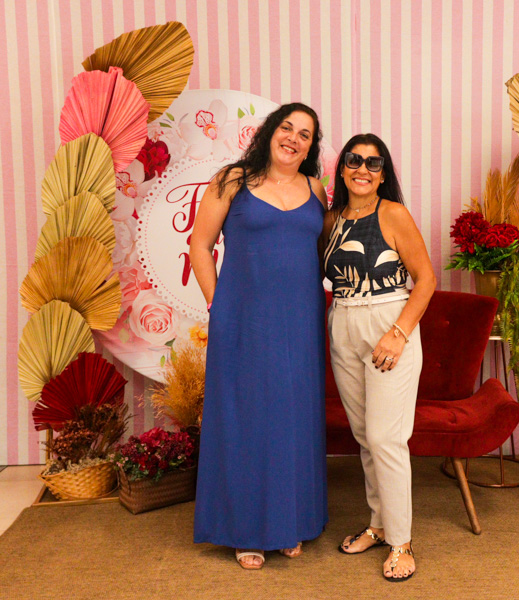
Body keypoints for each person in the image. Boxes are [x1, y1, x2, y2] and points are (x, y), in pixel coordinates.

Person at [190, 103, 329, 570]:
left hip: (302, 321)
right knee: (245, 419)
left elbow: (321, 251)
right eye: (286, 128)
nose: (293, 138)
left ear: (310, 147)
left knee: (295, 419)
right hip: (243, 319)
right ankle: (245, 530)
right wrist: (218, 304)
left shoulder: (316, 188)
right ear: (270, 132)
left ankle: (291, 523)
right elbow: (199, 245)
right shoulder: (233, 180)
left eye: (305, 134)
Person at [322, 133, 436, 581]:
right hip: (343, 321)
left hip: (388, 320)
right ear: (342, 168)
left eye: (373, 163)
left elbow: (425, 280)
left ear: (383, 173)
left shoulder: (393, 214)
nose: (362, 169)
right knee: (366, 436)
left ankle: (401, 542)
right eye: (354, 160)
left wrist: (398, 333)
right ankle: (379, 523)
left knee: (387, 437)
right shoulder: (330, 221)